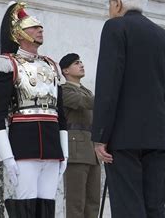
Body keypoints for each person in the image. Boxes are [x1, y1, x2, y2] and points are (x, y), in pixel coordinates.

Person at [91, 0, 165, 218]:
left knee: (128, 207)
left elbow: (109, 84)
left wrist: (100, 135)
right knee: (154, 206)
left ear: (118, 4)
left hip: (123, 137)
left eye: (110, 3)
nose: (110, 8)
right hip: (157, 136)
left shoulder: (114, 28)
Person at [0, 1, 68, 217]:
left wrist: (64, 153)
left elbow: (60, 113)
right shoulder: (7, 64)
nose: (40, 30)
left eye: (40, 26)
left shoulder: (51, 65)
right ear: (18, 34)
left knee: (47, 206)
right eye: (33, 26)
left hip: (52, 146)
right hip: (24, 144)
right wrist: (7, 157)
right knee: (26, 204)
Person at [59, 53, 100, 218]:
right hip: (76, 151)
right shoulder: (63, 90)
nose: (81, 65)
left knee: (93, 202)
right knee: (76, 203)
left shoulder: (87, 91)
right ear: (66, 70)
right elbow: (85, 103)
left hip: (91, 150)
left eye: (81, 62)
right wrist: (111, 94)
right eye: (77, 63)